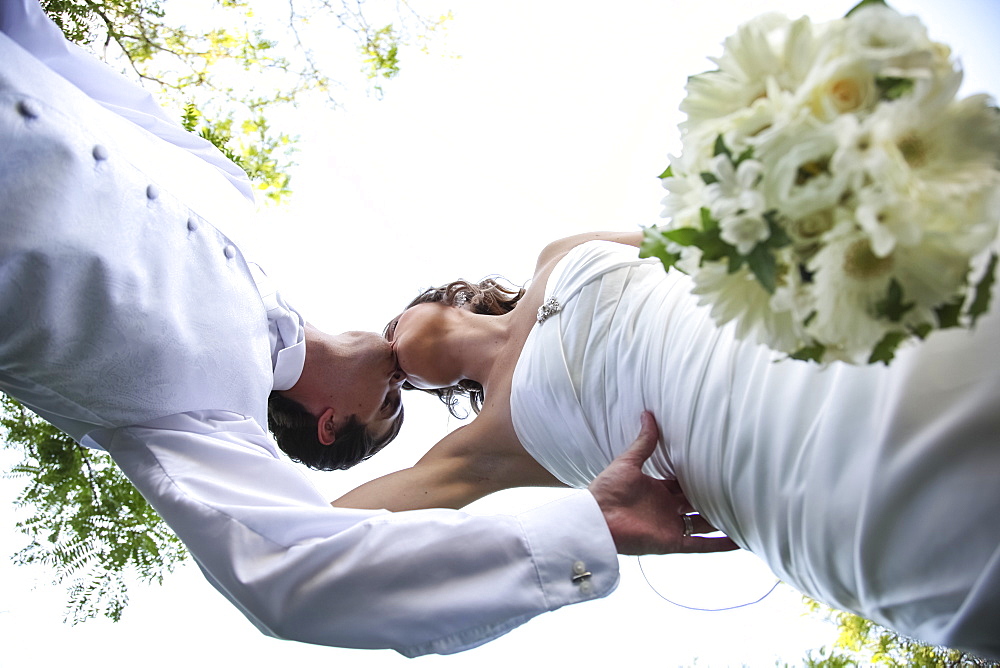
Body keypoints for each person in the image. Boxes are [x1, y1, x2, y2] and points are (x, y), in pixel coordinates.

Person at [0, 0, 737, 656]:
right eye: (399, 399)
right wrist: (588, 530)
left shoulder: (204, 380)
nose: (403, 377)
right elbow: (313, 550)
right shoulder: (226, 251)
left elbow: (300, 561)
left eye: (394, 401)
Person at [335, 232, 1000, 658]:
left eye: (392, 326)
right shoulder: (483, 448)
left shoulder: (558, 255)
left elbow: (721, 240)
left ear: (438, 297)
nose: (396, 356)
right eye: (400, 391)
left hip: (835, 340)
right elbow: (321, 535)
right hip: (795, 481)